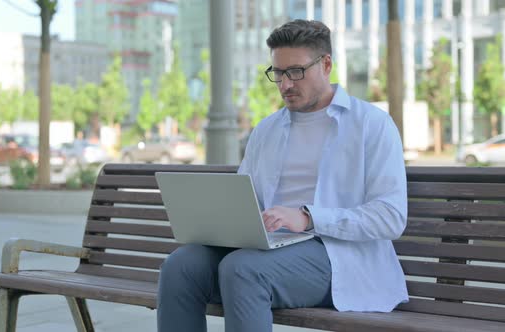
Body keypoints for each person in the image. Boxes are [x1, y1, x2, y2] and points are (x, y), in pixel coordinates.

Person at [157, 19, 408, 332]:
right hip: (268, 249)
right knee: (181, 266)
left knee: (243, 269)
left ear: (326, 64)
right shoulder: (267, 130)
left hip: (338, 258)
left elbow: (391, 217)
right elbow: (245, 200)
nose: (286, 84)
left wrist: (308, 218)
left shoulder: (371, 125)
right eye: (278, 73)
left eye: (296, 72)